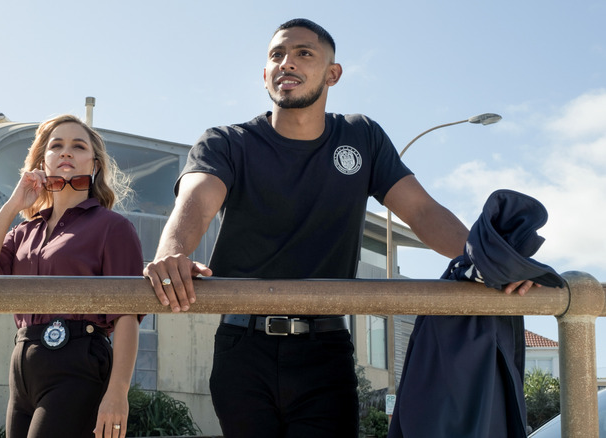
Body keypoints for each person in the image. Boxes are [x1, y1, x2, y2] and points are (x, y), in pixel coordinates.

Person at [143, 18, 535, 437]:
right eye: (277, 55)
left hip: (324, 346)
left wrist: (488, 263)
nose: (286, 63)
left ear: (333, 73)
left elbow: (422, 212)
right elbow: (196, 201)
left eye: (303, 54)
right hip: (243, 346)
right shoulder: (226, 141)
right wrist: (173, 252)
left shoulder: (362, 137)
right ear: (264, 75)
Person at [0, 114, 143, 438]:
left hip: (78, 364)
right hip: (23, 368)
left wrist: (118, 392)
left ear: (95, 164)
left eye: (78, 146)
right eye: (56, 145)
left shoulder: (113, 228)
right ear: (42, 161)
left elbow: (127, 316)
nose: (66, 152)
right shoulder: (22, 233)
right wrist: (16, 202)